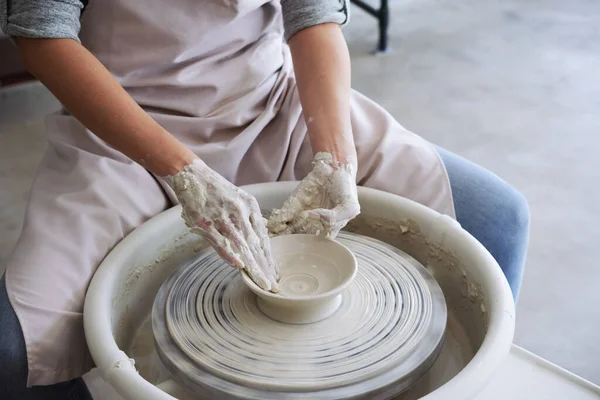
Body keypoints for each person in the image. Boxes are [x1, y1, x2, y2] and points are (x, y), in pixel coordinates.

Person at [0, 0, 530, 398]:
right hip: (127, 137)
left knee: (497, 220)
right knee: (15, 352)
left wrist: (335, 157)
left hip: (276, 106)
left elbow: (313, 16)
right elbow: (42, 34)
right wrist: (183, 172)